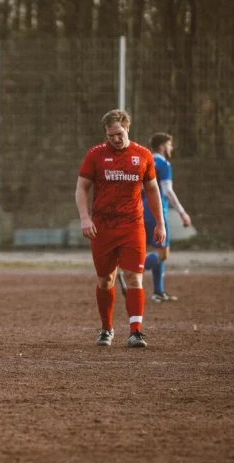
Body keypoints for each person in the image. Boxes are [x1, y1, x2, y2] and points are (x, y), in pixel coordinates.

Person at [75, 109, 166, 348]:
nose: (115, 138)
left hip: (132, 225)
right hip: (102, 227)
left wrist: (160, 222)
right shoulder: (95, 155)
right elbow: (82, 188)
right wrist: (85, 218)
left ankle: (136, 331)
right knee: (106, 280)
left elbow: (153, 190)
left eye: (119, 133)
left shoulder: (143, 155)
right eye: (110, 134)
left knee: (134, 277)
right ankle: (106, 329)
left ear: (128, 128)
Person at [139, 132, 192, 302]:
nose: (171, 148)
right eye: (169, 145)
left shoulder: (144, 162)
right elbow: (167, 191)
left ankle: (158, 291)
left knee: (157, 251)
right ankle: (132, 272)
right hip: (157, 212)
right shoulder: (163, 164)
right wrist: (183, 212)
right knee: (163, 254)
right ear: (162, 147)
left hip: (141, 212)